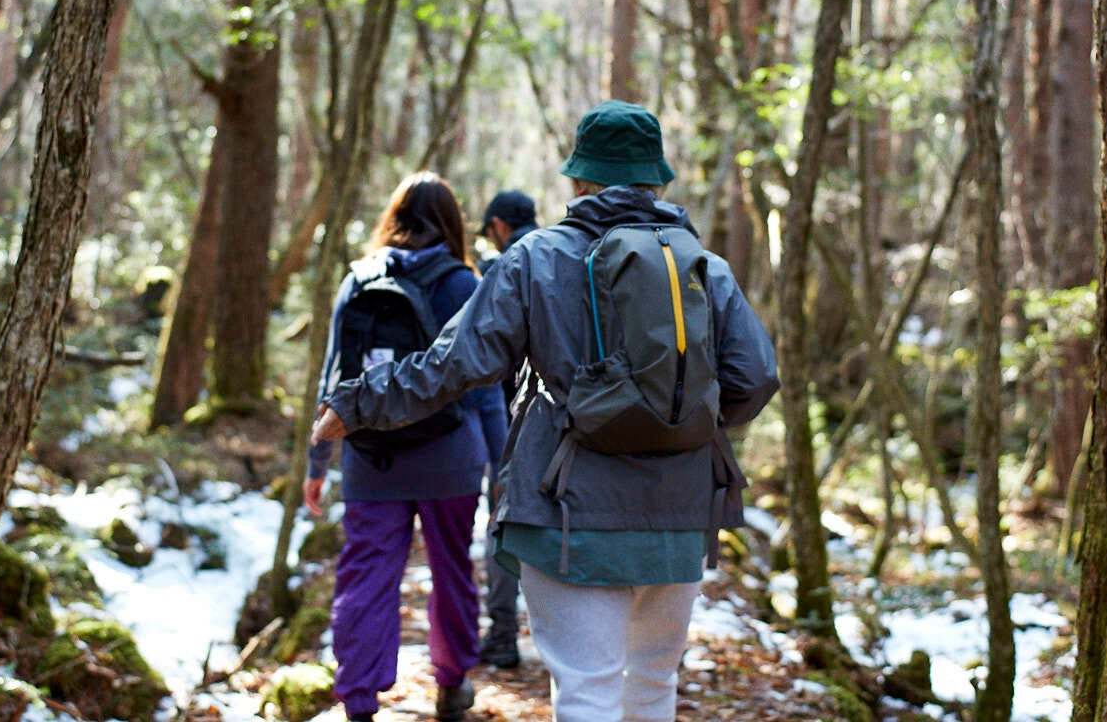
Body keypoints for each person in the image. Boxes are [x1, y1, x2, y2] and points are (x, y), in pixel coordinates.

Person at [312, 101, 779, 722]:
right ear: (654, 180)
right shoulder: (700, 266)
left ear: (580, 180)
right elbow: (755, 376)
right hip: (678, 516)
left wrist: (355, 404)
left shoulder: (534, 259)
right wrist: (679, 426)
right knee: (652, 685)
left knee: (587, 690)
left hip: (567, 509)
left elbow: (454, 365)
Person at [303, 173, 507, 722]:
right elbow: (486, 388)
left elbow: (333, 381)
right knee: (452, 570)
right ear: (451, 222)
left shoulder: (358, 280)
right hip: (450, 458)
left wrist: (316, 462)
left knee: (366, 575)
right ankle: (453, 683)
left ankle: (360, 700)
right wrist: (500, 466)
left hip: (372, 457)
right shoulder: (464, 285)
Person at [474, 189, 540, 670]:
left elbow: (479, 355)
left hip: (509, 423)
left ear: (498, 225)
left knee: (503, 529)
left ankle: (502, 636)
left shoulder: (505, 267)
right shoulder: (566, 256)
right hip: (567, 422)